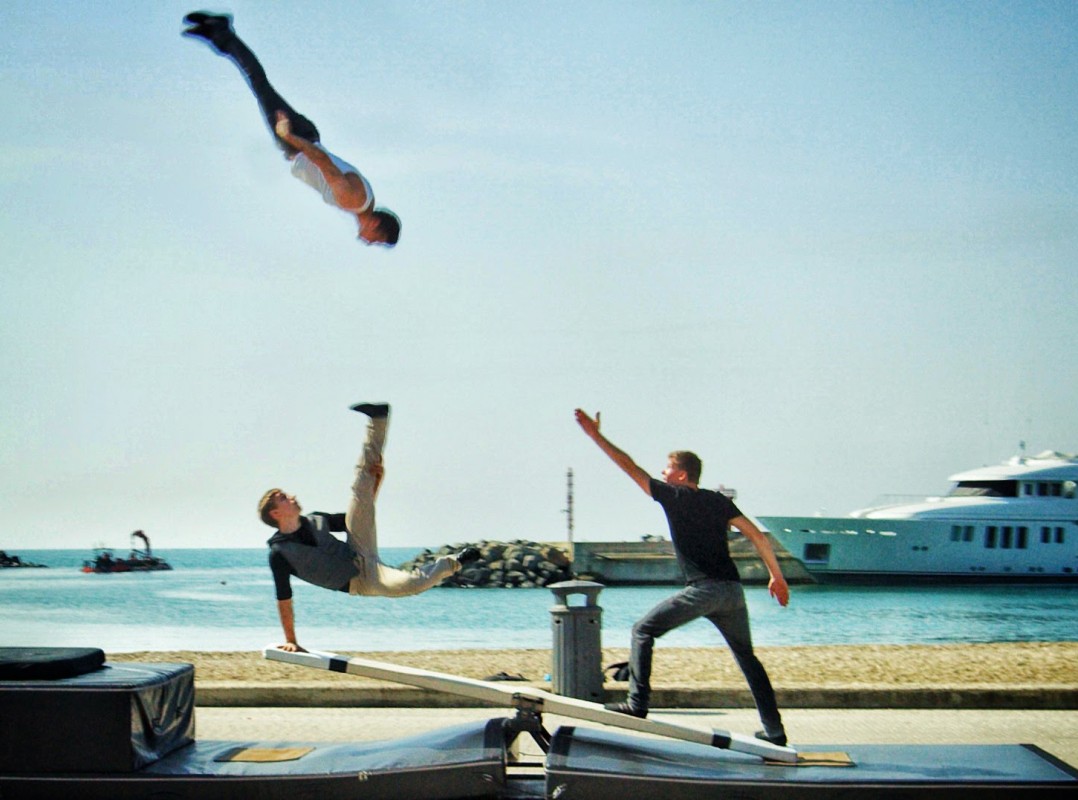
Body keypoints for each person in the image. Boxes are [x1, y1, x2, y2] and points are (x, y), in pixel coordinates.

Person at [574, 409, 790, 746]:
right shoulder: (720, 501)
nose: (662, 471)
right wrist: (777, 578)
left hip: (703, 589)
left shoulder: (674, 497)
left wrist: (595, 436)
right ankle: (774, 731)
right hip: (732, 592)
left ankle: (636, 704)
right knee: (748, 659)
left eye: (668, 467)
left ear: (681, 475)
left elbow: (629, 466)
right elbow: (757, 536)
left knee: (643, 630)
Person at [258, 403, 478, 652]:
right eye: (284, 498)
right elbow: (284, 598)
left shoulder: (316, 519)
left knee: (361, 488)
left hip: (359, 549)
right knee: (410, 584)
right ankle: (454, 563)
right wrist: (291, 640)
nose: (292, 496)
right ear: (276, 514)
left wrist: (376, 481)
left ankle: (378, 420)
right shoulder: (279, 554)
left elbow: (360, 513)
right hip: (363, 580)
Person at [182, 11, 401, 246]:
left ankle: (219, 35)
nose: (369, 242)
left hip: (303, 138)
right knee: (258, 82)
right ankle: (221, 32)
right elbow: (324, 162)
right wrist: (288, 136)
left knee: (259, 84)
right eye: (376, 240)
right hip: (297, 139)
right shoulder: (352, 200)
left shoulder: (365, 199)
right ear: (376, 225)